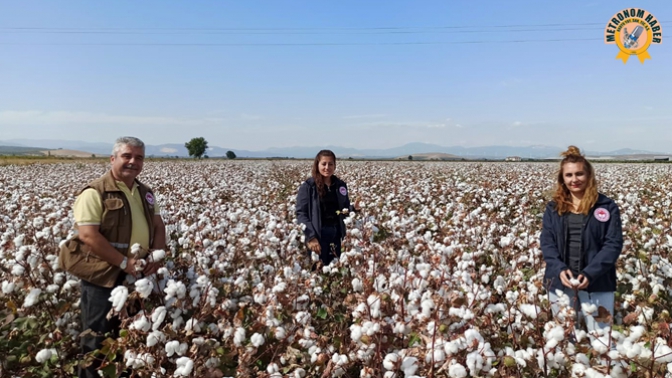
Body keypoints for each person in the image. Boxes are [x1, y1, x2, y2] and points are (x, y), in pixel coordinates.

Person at [59, 136, 166, 378]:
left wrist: (157, 257)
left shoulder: (145, 193)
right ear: (113, 158)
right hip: (103, 276)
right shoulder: (95, 192)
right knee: (97, 339)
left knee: (130, 336)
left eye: (138, 157)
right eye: (126, 156)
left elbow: (159, 227)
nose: (133, 162)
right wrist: (123, 262)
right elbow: (88, 236)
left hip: (137, 276)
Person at [540, 146, 623, 334]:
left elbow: (613, 244)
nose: (574, 180)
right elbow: (547, 243)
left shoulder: (607, 207)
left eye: (579, 174)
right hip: (561, 283)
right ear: (563, 179)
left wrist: (591, 273)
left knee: (601, 339)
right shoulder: (553, 208)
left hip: (598, 283)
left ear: (589, 176)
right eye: (569, 175)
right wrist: (559, 269)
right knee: (564, 338)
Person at [296, 150, 357, 265]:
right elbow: (301, 214)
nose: (327, 167)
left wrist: (354, 209)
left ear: (335, 165)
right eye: (324, 164)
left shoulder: (340, 185)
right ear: (317, 165)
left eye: (330, 164)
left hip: (337, 235)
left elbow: (343, 209)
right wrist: (311, 237)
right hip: (318, 235)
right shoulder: (309, 186)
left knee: (336, 266)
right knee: (318, 269)